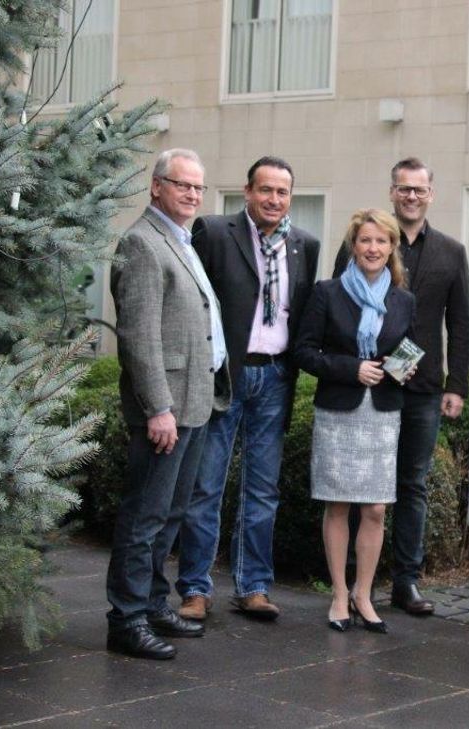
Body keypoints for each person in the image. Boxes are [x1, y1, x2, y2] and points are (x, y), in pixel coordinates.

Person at [175, 156, 320, 622]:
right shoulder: (216, 233)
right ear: (247, 191)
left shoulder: (305, 245)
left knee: (263, 490)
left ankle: (253, 587)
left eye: (282, 192)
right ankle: (195, 589)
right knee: (206, 486)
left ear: (290, 198)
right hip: (227, 378)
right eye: (265, 190)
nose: (274, 200)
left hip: (276, 377)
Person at [332, 158, 469, 616]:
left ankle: (406, 582)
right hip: (370, 385)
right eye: (403, 189)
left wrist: (457, 385)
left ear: (432, 193)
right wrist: (351, 366)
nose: (412, 196)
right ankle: (353, 583)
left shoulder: (451, 252)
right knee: (359, 486)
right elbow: (337, 310)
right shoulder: (367, 244)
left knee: (411, 484)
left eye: (420, 189)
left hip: (424, 388)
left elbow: (461, 323)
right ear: (392, 192)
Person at [105, 149, 230, 660]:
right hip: (166, 409)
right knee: (145, 516)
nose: (193, 195)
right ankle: (127, 619)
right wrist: (157, 407)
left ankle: (155, 603)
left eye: (199, 188)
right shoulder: (140, 243)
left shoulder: (180, 240)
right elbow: (138, 337)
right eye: (183, 185)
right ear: (156, 187)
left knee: (172, 512)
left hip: (196, 402)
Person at [296, 209, 416, 634]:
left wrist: (404, 368)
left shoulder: (403, 299)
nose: (373, 248)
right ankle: (339, 595)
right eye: (365, 240)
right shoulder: (328, 293)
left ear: (391, 248)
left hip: (382, 412)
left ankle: (364, 594)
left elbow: (408, 351)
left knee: (376, 508)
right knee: (338, 503)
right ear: (354, 245)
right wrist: (352, 368)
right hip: (340, 410)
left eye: (381, 241)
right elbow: (305, 351)